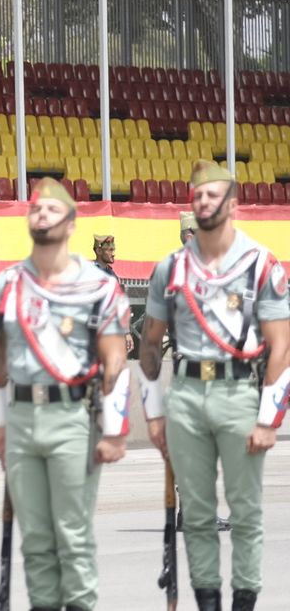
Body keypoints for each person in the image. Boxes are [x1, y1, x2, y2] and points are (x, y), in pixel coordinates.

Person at [139, 160, 290, 611]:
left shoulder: (259, 264)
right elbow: (149, 346)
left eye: (214, 194)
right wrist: (155, 411)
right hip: (185, 394)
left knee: (245, 513)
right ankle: (207, 602)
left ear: (233, 202)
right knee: (199, 516)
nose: (204, 201)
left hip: (239, 393)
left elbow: (281, 347)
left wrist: (268, 419)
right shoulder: (170, 269)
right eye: (198, 195)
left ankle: (244, 602)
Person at [0, 178, 131, 611]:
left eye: (52, 209)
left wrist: (114, 428)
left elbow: (115, 357)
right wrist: (1, 425)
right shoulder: (5, 285)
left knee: (72, 533)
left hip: (72, 417)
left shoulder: (99, 287)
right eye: (35, 209)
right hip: (23, 417)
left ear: (71, 223)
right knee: (37, 540)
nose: (41, 214)